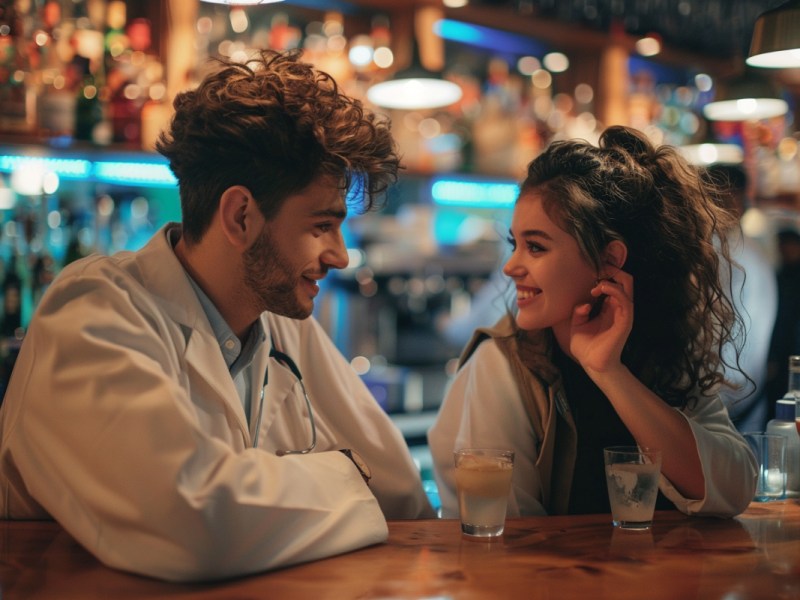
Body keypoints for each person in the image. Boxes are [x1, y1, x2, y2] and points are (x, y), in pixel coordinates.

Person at [0, 50, 433, 583]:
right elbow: (192, 520)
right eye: (322, 225)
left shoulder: (282, 324)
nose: (340, 255)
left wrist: (290, 488)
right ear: (241, 216)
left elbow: (403, 498)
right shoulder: (93, 309)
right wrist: (346, 472)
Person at [428, 126, 757, 519]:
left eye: (536, 247)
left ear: (608, 260)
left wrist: (609, 372)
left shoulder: (662, 344)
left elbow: (733, 489)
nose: (511, 266)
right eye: (515, 244)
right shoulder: (502, 364)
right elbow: (506, 536)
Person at [705, 163, 777, 433]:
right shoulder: (753, 251)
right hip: (745, 401)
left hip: (724, 405)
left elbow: (715, 335)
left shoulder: (727, 254)